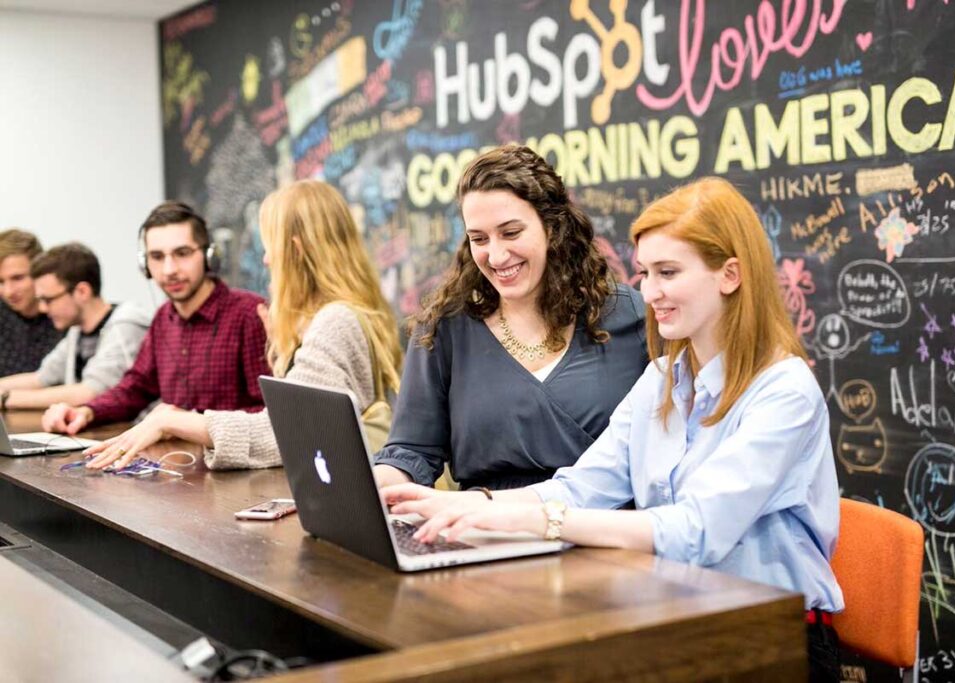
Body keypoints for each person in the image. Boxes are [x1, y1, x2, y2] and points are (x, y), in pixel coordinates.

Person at [382, 177, 844, 682]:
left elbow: (695, 533)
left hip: (773, 638)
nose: (649, 292)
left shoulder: (783, 391)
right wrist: (473, 506)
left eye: (668, 272)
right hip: (676, 620)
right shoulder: (664, 379)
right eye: (645, 273)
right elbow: (582, 487)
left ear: (730, 274)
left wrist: (539, 523)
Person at [373, 144, 648, 490]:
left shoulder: (629, 315)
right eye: (479, 239)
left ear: (551, 228)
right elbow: (411, 451)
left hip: (600, 532)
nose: (497, 255)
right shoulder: (444, 328)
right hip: (485, 531)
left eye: (511, 233)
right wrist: (368, 485)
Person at [82, 180, 402, 471]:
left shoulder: (333, 321)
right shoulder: (338, 317)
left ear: (296, 249)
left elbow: (288, 431)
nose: (265, 259)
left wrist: (175, 421)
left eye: (270, 245)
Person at [42, 201, 269, 435]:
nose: (169, 269)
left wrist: (189, 424)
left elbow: (268, 414)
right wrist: (87, 412)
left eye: (182, 254)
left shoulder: (249, 314)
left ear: (209, 256)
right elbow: (135, 388)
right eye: (157, 257)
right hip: (176, 463)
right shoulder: (164, 318)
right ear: (145, 265)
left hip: (234, 466)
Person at [0, 243, 151, 410]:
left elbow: (91, 392)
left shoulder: (125, 326)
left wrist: (6, 398)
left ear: (82, 292)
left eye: (48, 300)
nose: (43, 308)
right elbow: (42, 378)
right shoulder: (77, 330)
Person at [0, 229, 63, 377]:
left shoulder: (64, 315)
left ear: (39, 271)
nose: (9, 292)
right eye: (0, 282)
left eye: (18, 278)